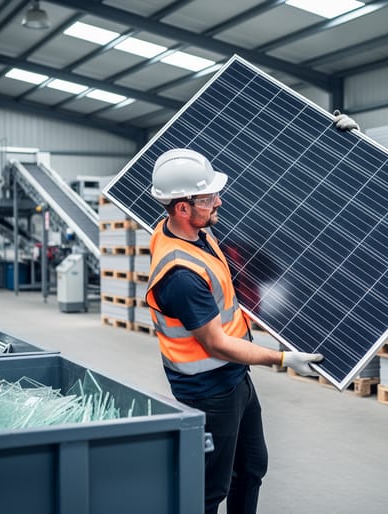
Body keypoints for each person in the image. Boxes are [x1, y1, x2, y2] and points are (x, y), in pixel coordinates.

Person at [144, 111, 360, 513]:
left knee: (251, 467)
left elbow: (275, 185)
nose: (218, 201)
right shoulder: (180, 276)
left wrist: (342, 148)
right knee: (209, 490)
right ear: (182, 209)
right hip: (209, 392)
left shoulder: (190, 228)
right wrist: (282, 358)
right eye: (208, 198)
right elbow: (217, 344)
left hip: (233, 380)